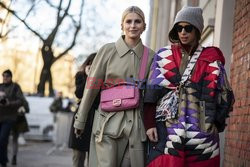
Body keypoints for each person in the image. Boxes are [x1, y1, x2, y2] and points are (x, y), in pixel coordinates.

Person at [144, 6, 235, 167]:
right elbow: (152, 92)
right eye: (179, 28)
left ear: (197, 30)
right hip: (168, 131)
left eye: (188, 28)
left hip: (202, 135)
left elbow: (225, 95)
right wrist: (150, 124)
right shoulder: (163, 56)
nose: (183, 32)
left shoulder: (212, 59)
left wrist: (214, 122)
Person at [74, 6, 155, 167]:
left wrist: (151, 124)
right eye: (128, 21)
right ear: (122, 25)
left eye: (137, 21)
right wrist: (80, 120)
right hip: (106, 124)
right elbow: (91, 88)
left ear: (144, 26)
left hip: (135, 127)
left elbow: (151, 95)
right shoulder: (107, 50)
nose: (133, 25)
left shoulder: (150, 56)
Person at [68, 52, 99, 167]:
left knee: (94, 157)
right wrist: (88, 78)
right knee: (78, 156)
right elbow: (79, 94)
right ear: (87, 64)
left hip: (96, 117)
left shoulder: (102, 78)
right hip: (82, 117)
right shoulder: (80, 75)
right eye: (91, 64)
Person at [0, 69, 25, 167]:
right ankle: (3, 160)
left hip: (10, 118)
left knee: (3, 139)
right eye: (3, 76)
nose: (5, 78)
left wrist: (9, 103)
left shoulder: (15, 87)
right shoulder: (0, 86)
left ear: (11, 77)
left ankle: (4, 161)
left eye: (7, 76)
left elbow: (21, 101)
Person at [11, 96, 29, 165]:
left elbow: (27, 109)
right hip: (8, 120)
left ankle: (14, 156)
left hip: (17, 121)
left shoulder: (22, 100)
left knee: (14, 140)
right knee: (10, 140)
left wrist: (22, 109)